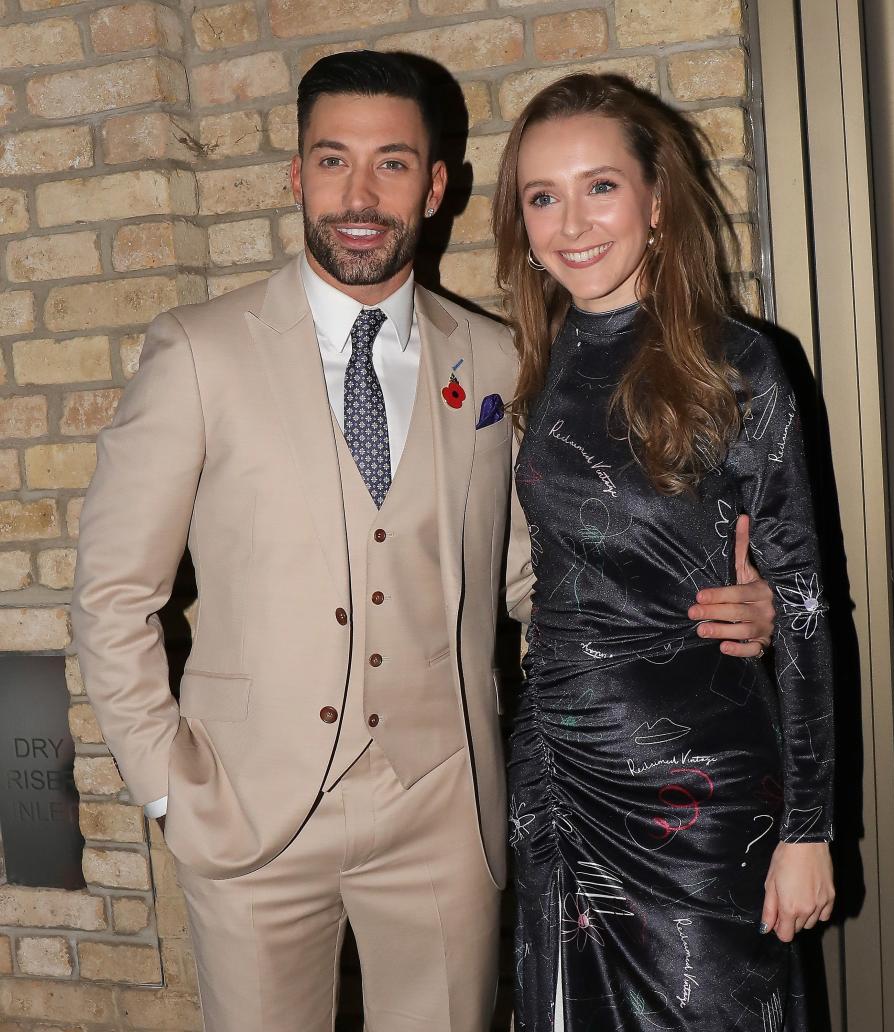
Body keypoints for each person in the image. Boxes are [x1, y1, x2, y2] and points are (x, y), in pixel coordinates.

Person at [72, 52, 775, 1032]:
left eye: (393, 164)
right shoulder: (198, 351)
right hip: (247, 815)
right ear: (297, 173)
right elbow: (112, 597)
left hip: (442, 813)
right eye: (333, 161)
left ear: (436, 185)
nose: (359, 195)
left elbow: (541, 573)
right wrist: (166, 793)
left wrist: (718, 602)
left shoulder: (494, 358)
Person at [493, 73, 835, 1031]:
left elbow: (803, 612)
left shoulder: (740, 363)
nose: (572, 222)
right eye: (542, 196)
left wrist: (809, 828)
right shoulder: (533, 360)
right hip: (560, 773)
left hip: (705, 792)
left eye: (600, 186)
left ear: (656, 201)